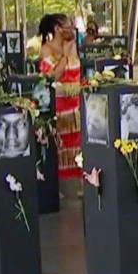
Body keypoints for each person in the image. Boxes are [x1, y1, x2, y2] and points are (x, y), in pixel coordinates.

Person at [38, 13, 83, 189]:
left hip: (75, 105)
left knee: (77, 144)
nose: (71, 28)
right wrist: (64, 56)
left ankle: (79, 181)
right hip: (59, 105)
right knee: (60, 145)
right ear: (57, 28)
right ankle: (58, 185)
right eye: (68, 25)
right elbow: (53, 76)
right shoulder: (46, 49)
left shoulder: (73, 46)